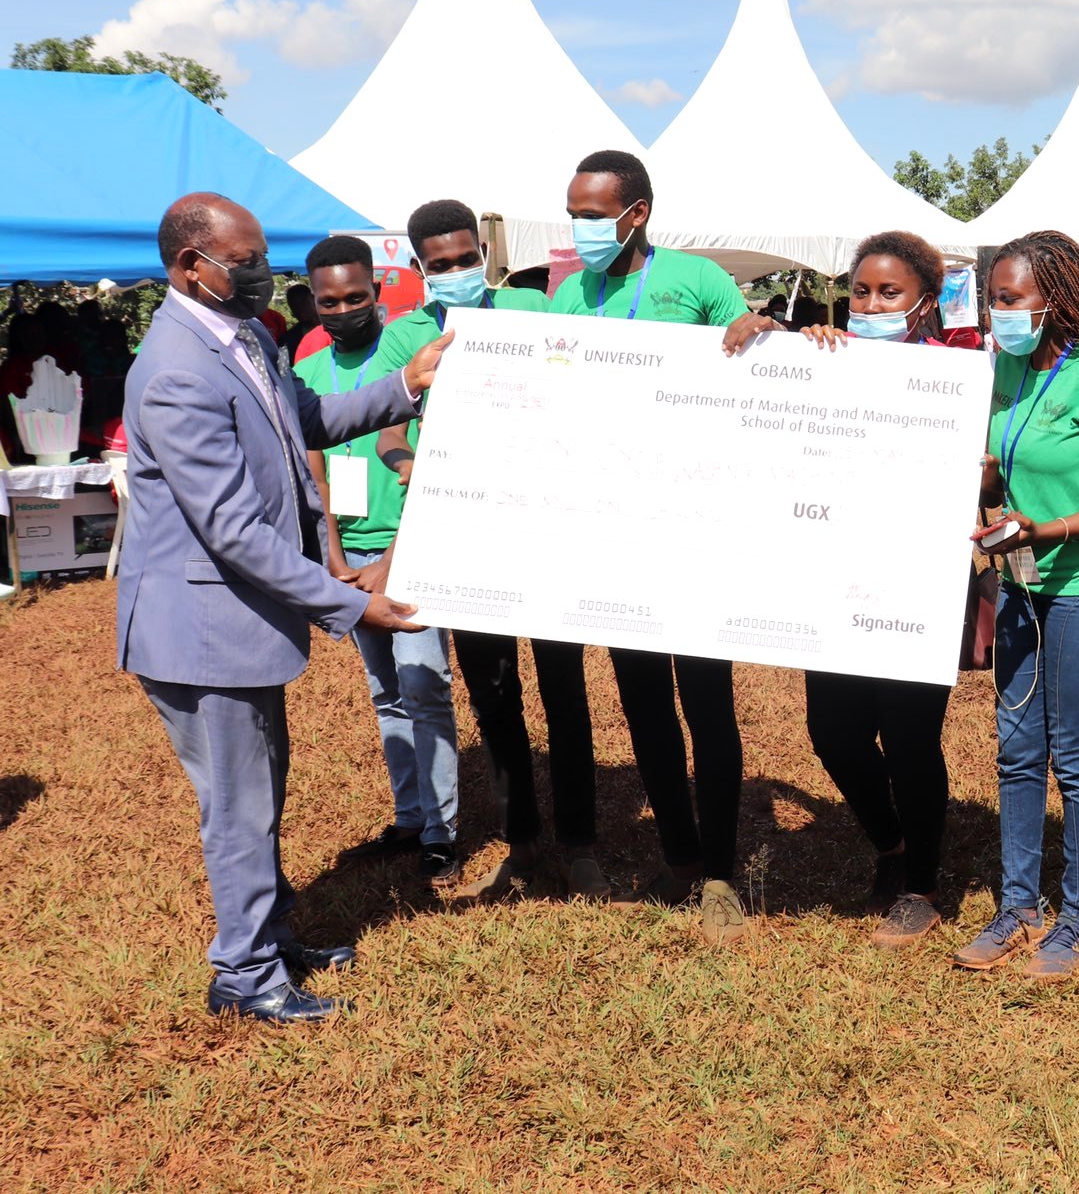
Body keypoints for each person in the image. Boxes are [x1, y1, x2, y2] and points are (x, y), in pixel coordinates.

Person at [116, 192, 450, 1023]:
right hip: (201, 629)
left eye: (266, 259)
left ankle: (267, 937)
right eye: (248, 262)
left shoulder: (244, 340)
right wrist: (345, 602)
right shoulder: (174, 371)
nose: (267, 277)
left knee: (260, 788)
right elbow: (229, 527)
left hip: (238, 623)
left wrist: (406, 383)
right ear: (191, 267)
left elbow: (309, 417)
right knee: (238, 807)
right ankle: (246, 977)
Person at [369, 199, 611, 904]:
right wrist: (404, 462)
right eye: (439, 265)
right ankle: (523, 845)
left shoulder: (533, 308)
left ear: (484, 254)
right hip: (463, 538)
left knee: (565, 692)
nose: (456, 272)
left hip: (546, 530)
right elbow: (388, 428)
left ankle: (581, 845)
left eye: (465, 259)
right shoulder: (404, 336)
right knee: (494, 696)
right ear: (420, 269)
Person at [732, 230, 970, 947]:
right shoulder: (822, 360)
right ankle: (891, 844)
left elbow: (980, 475)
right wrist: (763, 335)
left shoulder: (953, 376)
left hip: (914, 581)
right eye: (861, 290)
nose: (870, 304)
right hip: (832, 579)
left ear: (924, 303)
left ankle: (923, 886)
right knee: (832, 733)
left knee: (908, 737)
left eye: (889, 293)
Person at [555, 148, 756, 940]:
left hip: (695, 527)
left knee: (708, 706)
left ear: (635, 213)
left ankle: (721, 873)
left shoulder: (697, 279)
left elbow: (747, 367)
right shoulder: (569, 291)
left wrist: (757, 333)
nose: (580, 229)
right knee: (643, 704)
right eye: (573, 213)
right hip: (613, 531)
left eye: (593, 215)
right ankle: (678, 857)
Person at [951, 230, 1079, 979]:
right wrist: (988, 499)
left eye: (1011, 299)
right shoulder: (1002, 369)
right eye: (993, 299)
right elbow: (1001, 469)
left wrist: (1050, 528)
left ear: (1055, 300)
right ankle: (1017, 908)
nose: (999, 311)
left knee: (1074, 755)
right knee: (1015, 751)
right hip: (1020, 583)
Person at [293, 236, 460, 886]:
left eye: (356, 297)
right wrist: (332, 557)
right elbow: (313, 470)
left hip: (409, 548)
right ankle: (411, 818)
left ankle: (444, 835)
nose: (343, 310)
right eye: (329, 301)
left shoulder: (407, 357)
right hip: (349, 558)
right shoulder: (305, 368)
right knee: (386, 693)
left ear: (377, 293)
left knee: (425, 689)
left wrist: (395, 558)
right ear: (314, 301)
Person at [280, 282, 320, 362]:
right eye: (294, 306)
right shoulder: (289, 340)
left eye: (303, 303)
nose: (299, 310)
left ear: (313, 299)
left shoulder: (333, 327)